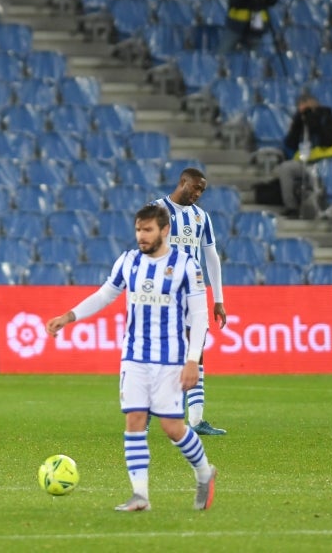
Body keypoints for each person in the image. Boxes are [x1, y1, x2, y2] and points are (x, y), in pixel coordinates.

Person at [45, 204, 217, 512]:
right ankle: (141, 496)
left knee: (171, 428)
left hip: (170, 357)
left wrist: (194, 360)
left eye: (148, 230)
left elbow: (201, 316)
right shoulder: (128, 261)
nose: (141, 236)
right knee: (134, 421)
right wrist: (69, 316)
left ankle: (204, 472)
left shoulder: (186, 266)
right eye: (138, 230)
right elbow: (105, 294)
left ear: (165, 231)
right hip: (134, 356)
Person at [152, 168, 227, 436]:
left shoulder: (201, 217)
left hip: (193, 292)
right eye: (194, 188)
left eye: (202, 190)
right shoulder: (157, 209)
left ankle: (196, 421)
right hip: (163, 293)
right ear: (182, 182)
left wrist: (218, 299)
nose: (197, 194)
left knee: (197, 351)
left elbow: (212, 257)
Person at [276, 93, 332, 218]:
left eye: (306, 104)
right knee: (285, 169)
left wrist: (312, 117)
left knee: (314, 176)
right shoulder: (300, 119)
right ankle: (292, 207)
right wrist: (298, 122)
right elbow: (290, 143)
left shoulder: (327, 117)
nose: (303, 108)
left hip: (324, 162)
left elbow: (328, 140)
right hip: (304, 162)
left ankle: (319, 211)